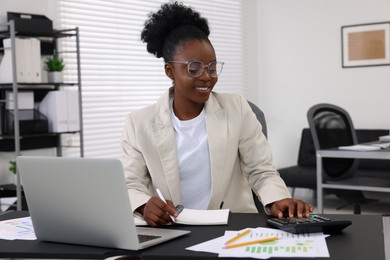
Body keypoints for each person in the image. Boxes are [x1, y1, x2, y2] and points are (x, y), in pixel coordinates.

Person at [122, 1, 313, 227]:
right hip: (172, 230)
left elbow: (261, 170)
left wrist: (278, 199)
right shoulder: (138, 123)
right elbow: (131, 184)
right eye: (194, 68)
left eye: (212, 67)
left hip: (232, 227)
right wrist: (144, 205)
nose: (206, 77)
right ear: (170, 71)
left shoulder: (238, 109)